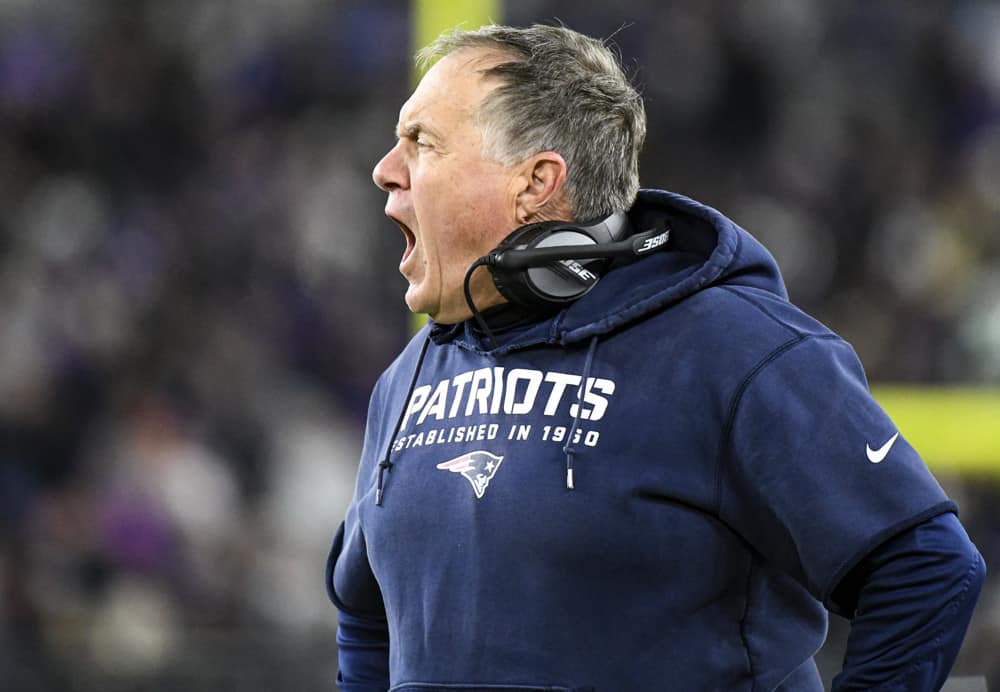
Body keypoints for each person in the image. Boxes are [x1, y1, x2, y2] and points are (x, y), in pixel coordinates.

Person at [326, 23, 985, 691]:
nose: (386, 169)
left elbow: (926, 570)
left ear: (535, 183)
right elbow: (364, 612)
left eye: (423, 143)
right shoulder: (408, 378)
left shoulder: (733, 349)